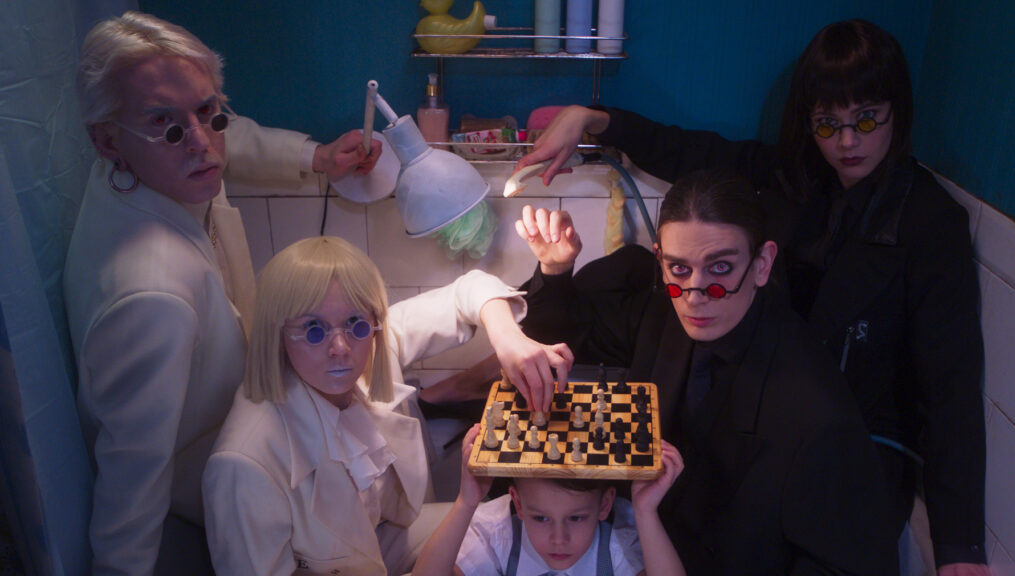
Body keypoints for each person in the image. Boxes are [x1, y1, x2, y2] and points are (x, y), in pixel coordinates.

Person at [515, 19, 987, 576]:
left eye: (865, 119)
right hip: (755, 402)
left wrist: (960, 547)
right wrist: (596, 120)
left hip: (852, 438)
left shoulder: (928, 225)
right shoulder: (794, 180)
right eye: (827, 123)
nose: (846, 141)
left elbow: (951, 382)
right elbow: (692, 154)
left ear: (761, 263)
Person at [63, 11, 385, 575]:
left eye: (208, 111)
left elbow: (223, 135)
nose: (203, 143)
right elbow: (131, 489)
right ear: (106, 139)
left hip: (250, 432)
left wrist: (315, 158)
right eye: (165, 124)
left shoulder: (152, 170)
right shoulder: (153, 297)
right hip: (227, 494)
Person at [515, 170, 897, 575]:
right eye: (679, 269)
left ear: (762, 264)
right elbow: (565, 339)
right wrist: (555, 271)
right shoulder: (665, 314)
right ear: (660, 260)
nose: (696, 296)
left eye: (720, 268)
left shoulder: (815, 411)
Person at [202, 236, 573, 576]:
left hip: (384, 540)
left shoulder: (371, 350)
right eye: (314, 329)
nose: (341, 348)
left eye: (355, 323)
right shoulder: (243, 466)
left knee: (512, 527)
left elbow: (470, 290)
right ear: (278, 333)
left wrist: (508, 339)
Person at [411, 425, 686, 576]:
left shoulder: (618, 541)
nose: (559, 539)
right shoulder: (497, 530)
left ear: (604, 505)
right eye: (540, 518)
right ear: (518, 504)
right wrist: (465, 504)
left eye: (576, 518)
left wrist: (646, 512)